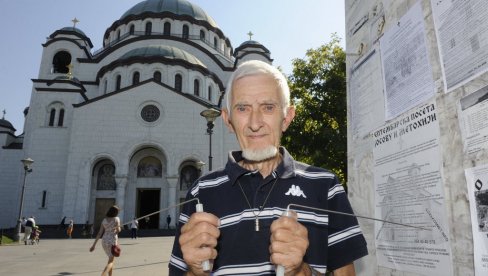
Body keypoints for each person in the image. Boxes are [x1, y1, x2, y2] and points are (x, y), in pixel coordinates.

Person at [169, 60, 368, 275]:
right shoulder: (201, 192)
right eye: (243, 108)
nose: (255, 123)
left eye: (268, 107)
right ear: (228, 120)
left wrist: (301, 271)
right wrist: (195, 270)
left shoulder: (325, 186)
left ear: (287, 118)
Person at [90, 205, 121, 276]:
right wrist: (117, 229)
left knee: (110, 259)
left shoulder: (104, 220)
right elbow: (118, 230)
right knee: (111, 262)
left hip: (104, 241)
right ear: (116, 213)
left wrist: (93, 245)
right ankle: (103, 274)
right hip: (112, 241)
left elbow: (99, 233)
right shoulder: (116, 219)